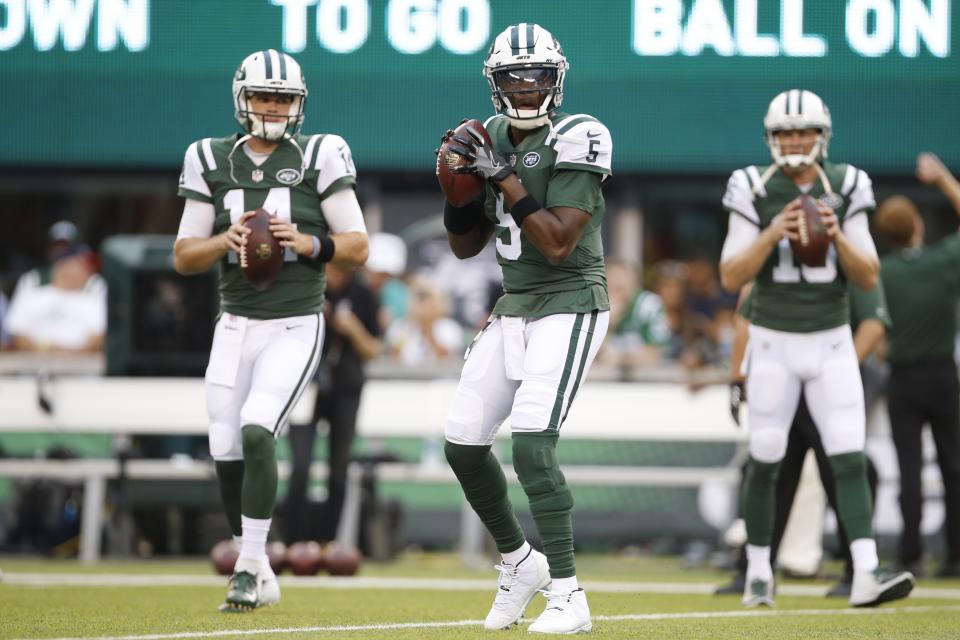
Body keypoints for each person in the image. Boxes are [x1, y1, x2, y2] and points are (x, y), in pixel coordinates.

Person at [173, 49, 368, 611]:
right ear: (243, 99)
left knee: (259, 429)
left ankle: (246, 569)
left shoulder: (320, 153)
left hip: (294, 323)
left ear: (298, 103)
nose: (273, 106)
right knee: (225, 446)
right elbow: (184, 255)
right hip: (234, 324)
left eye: (283, 97)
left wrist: (308, 244)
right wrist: (224, 240)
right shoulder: (208, 157)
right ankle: (257, 566)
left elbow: (357, 245)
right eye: (263, 96)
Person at [437, 23, 611, 634]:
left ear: (556, 79)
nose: (527, 85)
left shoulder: (580, 133)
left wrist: (501, 175)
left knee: (533, 444)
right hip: (515, 304)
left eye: (537, 74)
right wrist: (459, 192)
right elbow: (466, 248)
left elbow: (560, 242)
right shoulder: (486, 137)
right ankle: (519, 562)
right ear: (496, 81)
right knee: (461, 442)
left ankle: (569, 594)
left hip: (570, 299)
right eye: (514, 75)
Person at [718, 88, 913, 608]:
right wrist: (771, 232)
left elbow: (869, 274)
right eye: (785, 132)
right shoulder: (751, 185)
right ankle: (759, 572)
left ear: (822, 135)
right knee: (765, 457)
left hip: (829, 341)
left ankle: (868, 572)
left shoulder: (848, 184)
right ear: (771, 137)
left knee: (849, 454)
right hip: (772, 340)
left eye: (803, 131)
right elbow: (731, 272)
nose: (795, 141)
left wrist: (837, 235)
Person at [717, 278, 888, 597]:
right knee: (770, 472)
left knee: (843, 472)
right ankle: (755, 569)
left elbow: (874, 325)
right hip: (787, 389)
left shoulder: (845, 262)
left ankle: (858, 569)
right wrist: (738, 378)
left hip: (818, 387)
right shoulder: (778, 267)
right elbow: (745, 318)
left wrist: (839, 371)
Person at [876, 152, 960, 578]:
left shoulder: (883, 273)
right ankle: (956, 557)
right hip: (943, 375)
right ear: (919, 226)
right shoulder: (944, 262)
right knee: (954, 466)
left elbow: (875, 329)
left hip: (903, 377)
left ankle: (909, 555)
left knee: (908, 470)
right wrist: (944, 179)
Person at [284, 263, 382, 543]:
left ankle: (328, 544)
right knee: (300, 466)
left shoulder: (362, 294)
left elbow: (373, 349)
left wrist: (351, 328)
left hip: (346, 388)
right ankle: (292, 542)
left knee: (338, 469)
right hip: (306, 386)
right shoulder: (306, 289)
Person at [5, 243, 106, 353]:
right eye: (82, 264)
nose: (88, 271)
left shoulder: (96, 287)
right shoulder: (33, 282)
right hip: (33, 362)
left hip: (82, 364)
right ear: (63, 265)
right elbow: (17, 335)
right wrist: (46, 350)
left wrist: (69, 355)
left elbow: (99, 339)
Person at [600, 261, 670, 368]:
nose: (616, 282)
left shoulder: (648, 305)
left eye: (621, 283)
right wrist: (608, 322)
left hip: (646, 377)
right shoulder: (598, 306)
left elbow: (656, 351)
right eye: (612, 279)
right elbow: (593, 353)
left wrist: (621, 358)